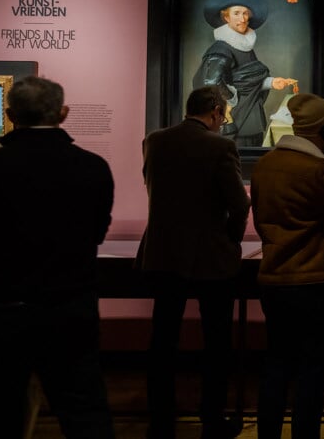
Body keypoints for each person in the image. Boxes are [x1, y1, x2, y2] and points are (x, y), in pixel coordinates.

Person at [0, 76, 116, 439]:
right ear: (63, 113)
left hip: (2, 309)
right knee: (84, 414)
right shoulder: (92, 167)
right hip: (70, 307)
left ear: (10, 114)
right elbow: (96, 233)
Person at [250, 93, 324, 439]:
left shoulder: (264, 165)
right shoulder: (319, 169)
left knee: (276, 364)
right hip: (317, 283)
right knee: (312, 370)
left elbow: (260, 219)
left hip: (274, 281)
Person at [136, 85, 251, 439]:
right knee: (216, 344)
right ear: (215, 110)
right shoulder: (220, 146)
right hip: (210, 257)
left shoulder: (154, 140)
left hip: (163, 252)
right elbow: (240, 204)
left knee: (162, 342)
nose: (225, 119)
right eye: (225, 113)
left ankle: (161, 421)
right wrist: (230, 238)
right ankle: (211, 420)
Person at [194, 0, 298, 147]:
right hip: (237, 119)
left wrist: (271, 82)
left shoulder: (245, 45)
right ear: (226, 17)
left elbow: (247, 78)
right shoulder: (221, 49)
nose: (242, 19)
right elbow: (210, 82)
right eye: (236, 13)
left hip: (251, 117)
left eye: (245, 13)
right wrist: (230, 98)